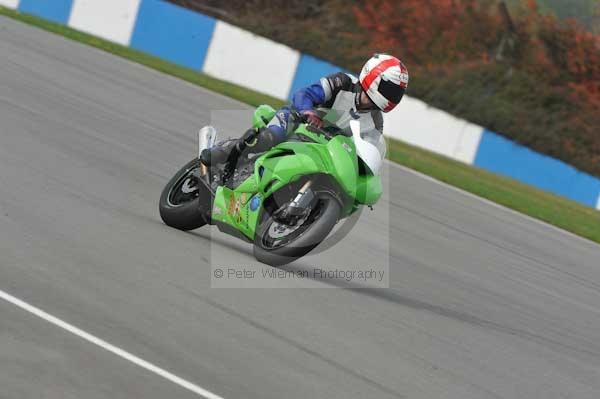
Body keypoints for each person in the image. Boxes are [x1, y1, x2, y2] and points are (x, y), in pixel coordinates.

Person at [200, 54, 409, 172]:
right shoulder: (343, 82)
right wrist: (308, 112)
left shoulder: (375, 123)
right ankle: (227, 150)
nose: (392, 96)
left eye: (397, 93)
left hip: (321, 150)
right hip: (297, 121)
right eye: (390, 89)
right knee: (271, 136)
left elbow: (367, 153)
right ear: (373, 77)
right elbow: (305, 94)